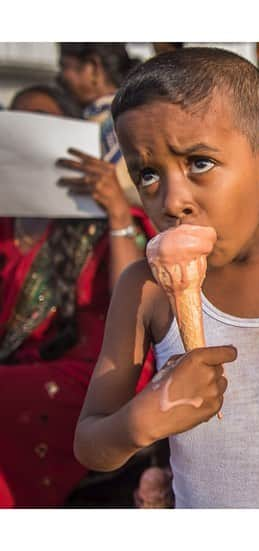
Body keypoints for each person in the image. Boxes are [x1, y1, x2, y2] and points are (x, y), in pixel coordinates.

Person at [73, 47, 259, 508]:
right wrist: (142, 422)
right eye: (147, 174)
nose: (172, 200)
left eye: (199, 162)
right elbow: (90, 443)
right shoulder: (146, 288)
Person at [0, 85, 155, 507]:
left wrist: (116, 214)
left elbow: (134, 301)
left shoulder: (102, 217)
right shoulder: (7, 222)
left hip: (98, 369)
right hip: (19, 365)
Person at [58, 43, 142, 206]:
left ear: (93, 68)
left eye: (64, 66)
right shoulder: (136, 109)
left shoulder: (109, 119)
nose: (60, 76)